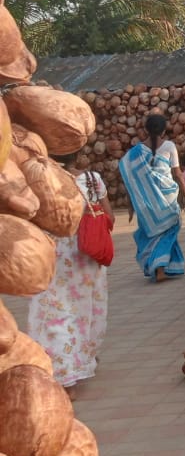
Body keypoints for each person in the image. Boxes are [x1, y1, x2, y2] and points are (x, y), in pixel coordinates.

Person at [26, 153, 109, 399]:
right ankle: (85, 358)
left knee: (57, 314)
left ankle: (67, 378)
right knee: (87, 311)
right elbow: (109, 216)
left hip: (56, 257)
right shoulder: (93, 179)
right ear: (78, 155)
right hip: (89, 256)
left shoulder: (43, 183)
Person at [117, 114, 185, 281]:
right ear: (163, 130)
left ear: (145, 130)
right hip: (167, 199)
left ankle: (162, 266)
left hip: (146, 202)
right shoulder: (169, 146)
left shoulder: (135, 153)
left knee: (152, 233)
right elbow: (177, 173)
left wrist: (130, 205)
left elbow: (130, 180)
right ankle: (160, 267)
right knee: (169, 230)